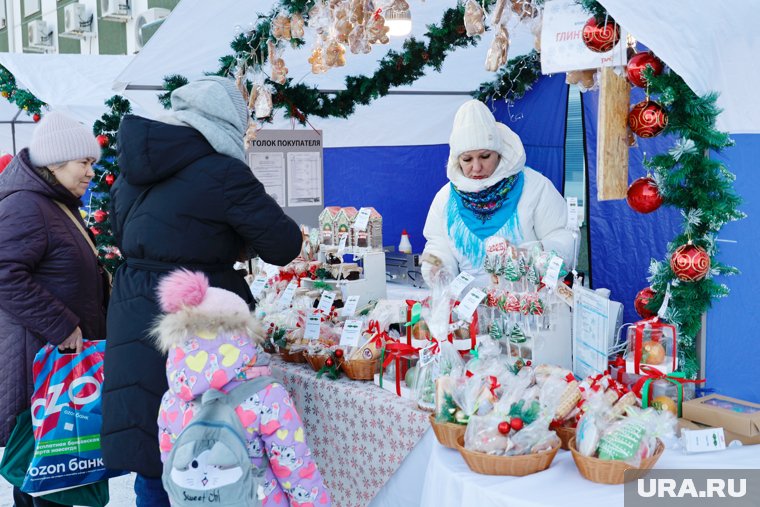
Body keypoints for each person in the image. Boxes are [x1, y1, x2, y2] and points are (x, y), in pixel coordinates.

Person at [101, 76, 303, 506]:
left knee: (153, 445)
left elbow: (130, 231)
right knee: (209, 453)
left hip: (134, 303)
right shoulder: (223, 171)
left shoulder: (134, 171)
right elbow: (283, 245)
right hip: (198, 316)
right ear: (227, 121)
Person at [0, 112, 107, 507]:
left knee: (46, 477)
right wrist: (62, 325)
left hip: (54, 368)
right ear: (56, 162)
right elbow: (3, 271)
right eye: (85, 163)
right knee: (47, 480)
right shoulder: (29, 205)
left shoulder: (54, 204)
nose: (91, 172)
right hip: (43, 365)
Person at [154, 270, 331, 507]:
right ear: (242, 336)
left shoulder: (172, 399)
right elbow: (296, 467)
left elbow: (172, 463)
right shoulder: (267, 395)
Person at [421, 100, 574, 286]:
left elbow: (564, 238)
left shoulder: (535, 187)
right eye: (467, 159)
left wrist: (529, 255)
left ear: (499, 153)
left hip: (526, 306)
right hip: (470, 309)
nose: (476, 167)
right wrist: (437, 267)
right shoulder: (445, 199)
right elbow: (437, 244)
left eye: (485, 156)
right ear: (456, 160)